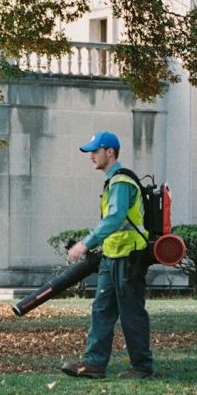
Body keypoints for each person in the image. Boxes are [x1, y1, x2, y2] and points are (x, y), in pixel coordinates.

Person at [61, 131, 154, 379]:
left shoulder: (121, 182)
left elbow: (115, 218)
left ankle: (142, 367)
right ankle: (93, 365)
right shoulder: (113, 181)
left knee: (131, 312)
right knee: (101, 310)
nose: (91, 156)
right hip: (112, 255)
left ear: (109, 152)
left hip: (128, 256)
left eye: (95, 151)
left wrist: (85, 244)